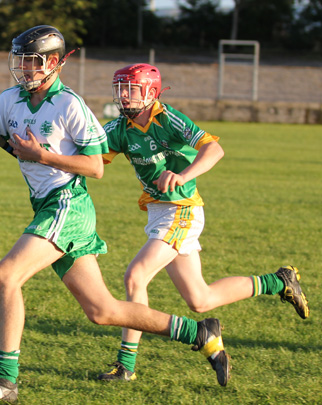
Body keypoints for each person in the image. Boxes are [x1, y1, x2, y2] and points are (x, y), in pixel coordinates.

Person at [0, 27, 230, 403]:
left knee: (6, 276)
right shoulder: (9, 101)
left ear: (53, 63)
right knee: (103, 311)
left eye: (31, 60)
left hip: (67, 203)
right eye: (19, 59)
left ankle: (3, 382)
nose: (22, 67)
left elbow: (95, 167)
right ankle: (199, 333)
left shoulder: (70, 105)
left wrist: (44, 157)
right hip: (46, 205)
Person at [98, 63, 310, 382]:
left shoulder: (166, 118)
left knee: (135, 276)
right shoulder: (119, 129)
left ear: (151, 92)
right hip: (159, 213)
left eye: (131, 89)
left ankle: (125, 366)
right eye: (121, 90)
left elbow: (214, 149)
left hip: (182, 209)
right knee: (201, 300)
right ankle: (280, 281)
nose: (124, 97)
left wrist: (182, 175)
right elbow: (88, 159)